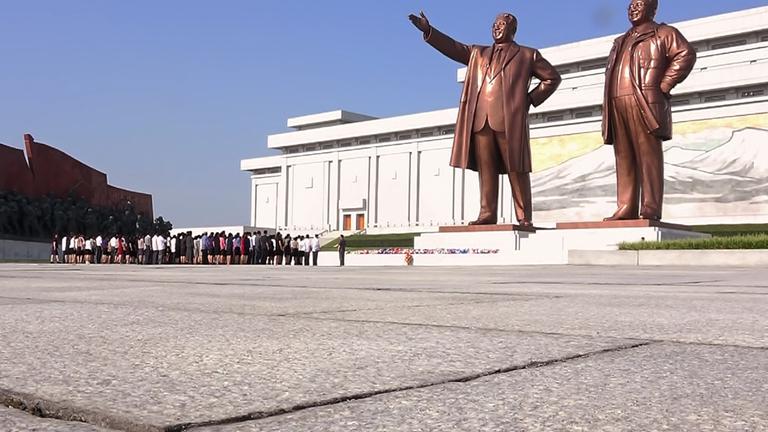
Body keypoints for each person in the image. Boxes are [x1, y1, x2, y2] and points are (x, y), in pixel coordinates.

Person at [409, 11, 560, 227]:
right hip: (481, 120)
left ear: (513, 29)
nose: (496, 27)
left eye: (501, 24)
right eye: (494, 24)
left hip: (509, 121)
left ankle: (524, 216)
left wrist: (527, 101)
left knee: (516, 169)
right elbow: (453, 47)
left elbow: (552, 78)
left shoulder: (528, 55)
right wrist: (429, 31)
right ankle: (487, 213)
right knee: (486, 170)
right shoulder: (477, 53)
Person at [603, 0, 696, 221]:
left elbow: (686, 54)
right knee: (623, 156)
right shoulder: (620, 40)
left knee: (648, 156)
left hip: (644, 101)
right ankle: (626, 206)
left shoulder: (664, 33)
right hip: (617, 102)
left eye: (639, 4)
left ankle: (650, 206)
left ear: (652, 9)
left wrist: (664, 85)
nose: (633, 8)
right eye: (630, 5)